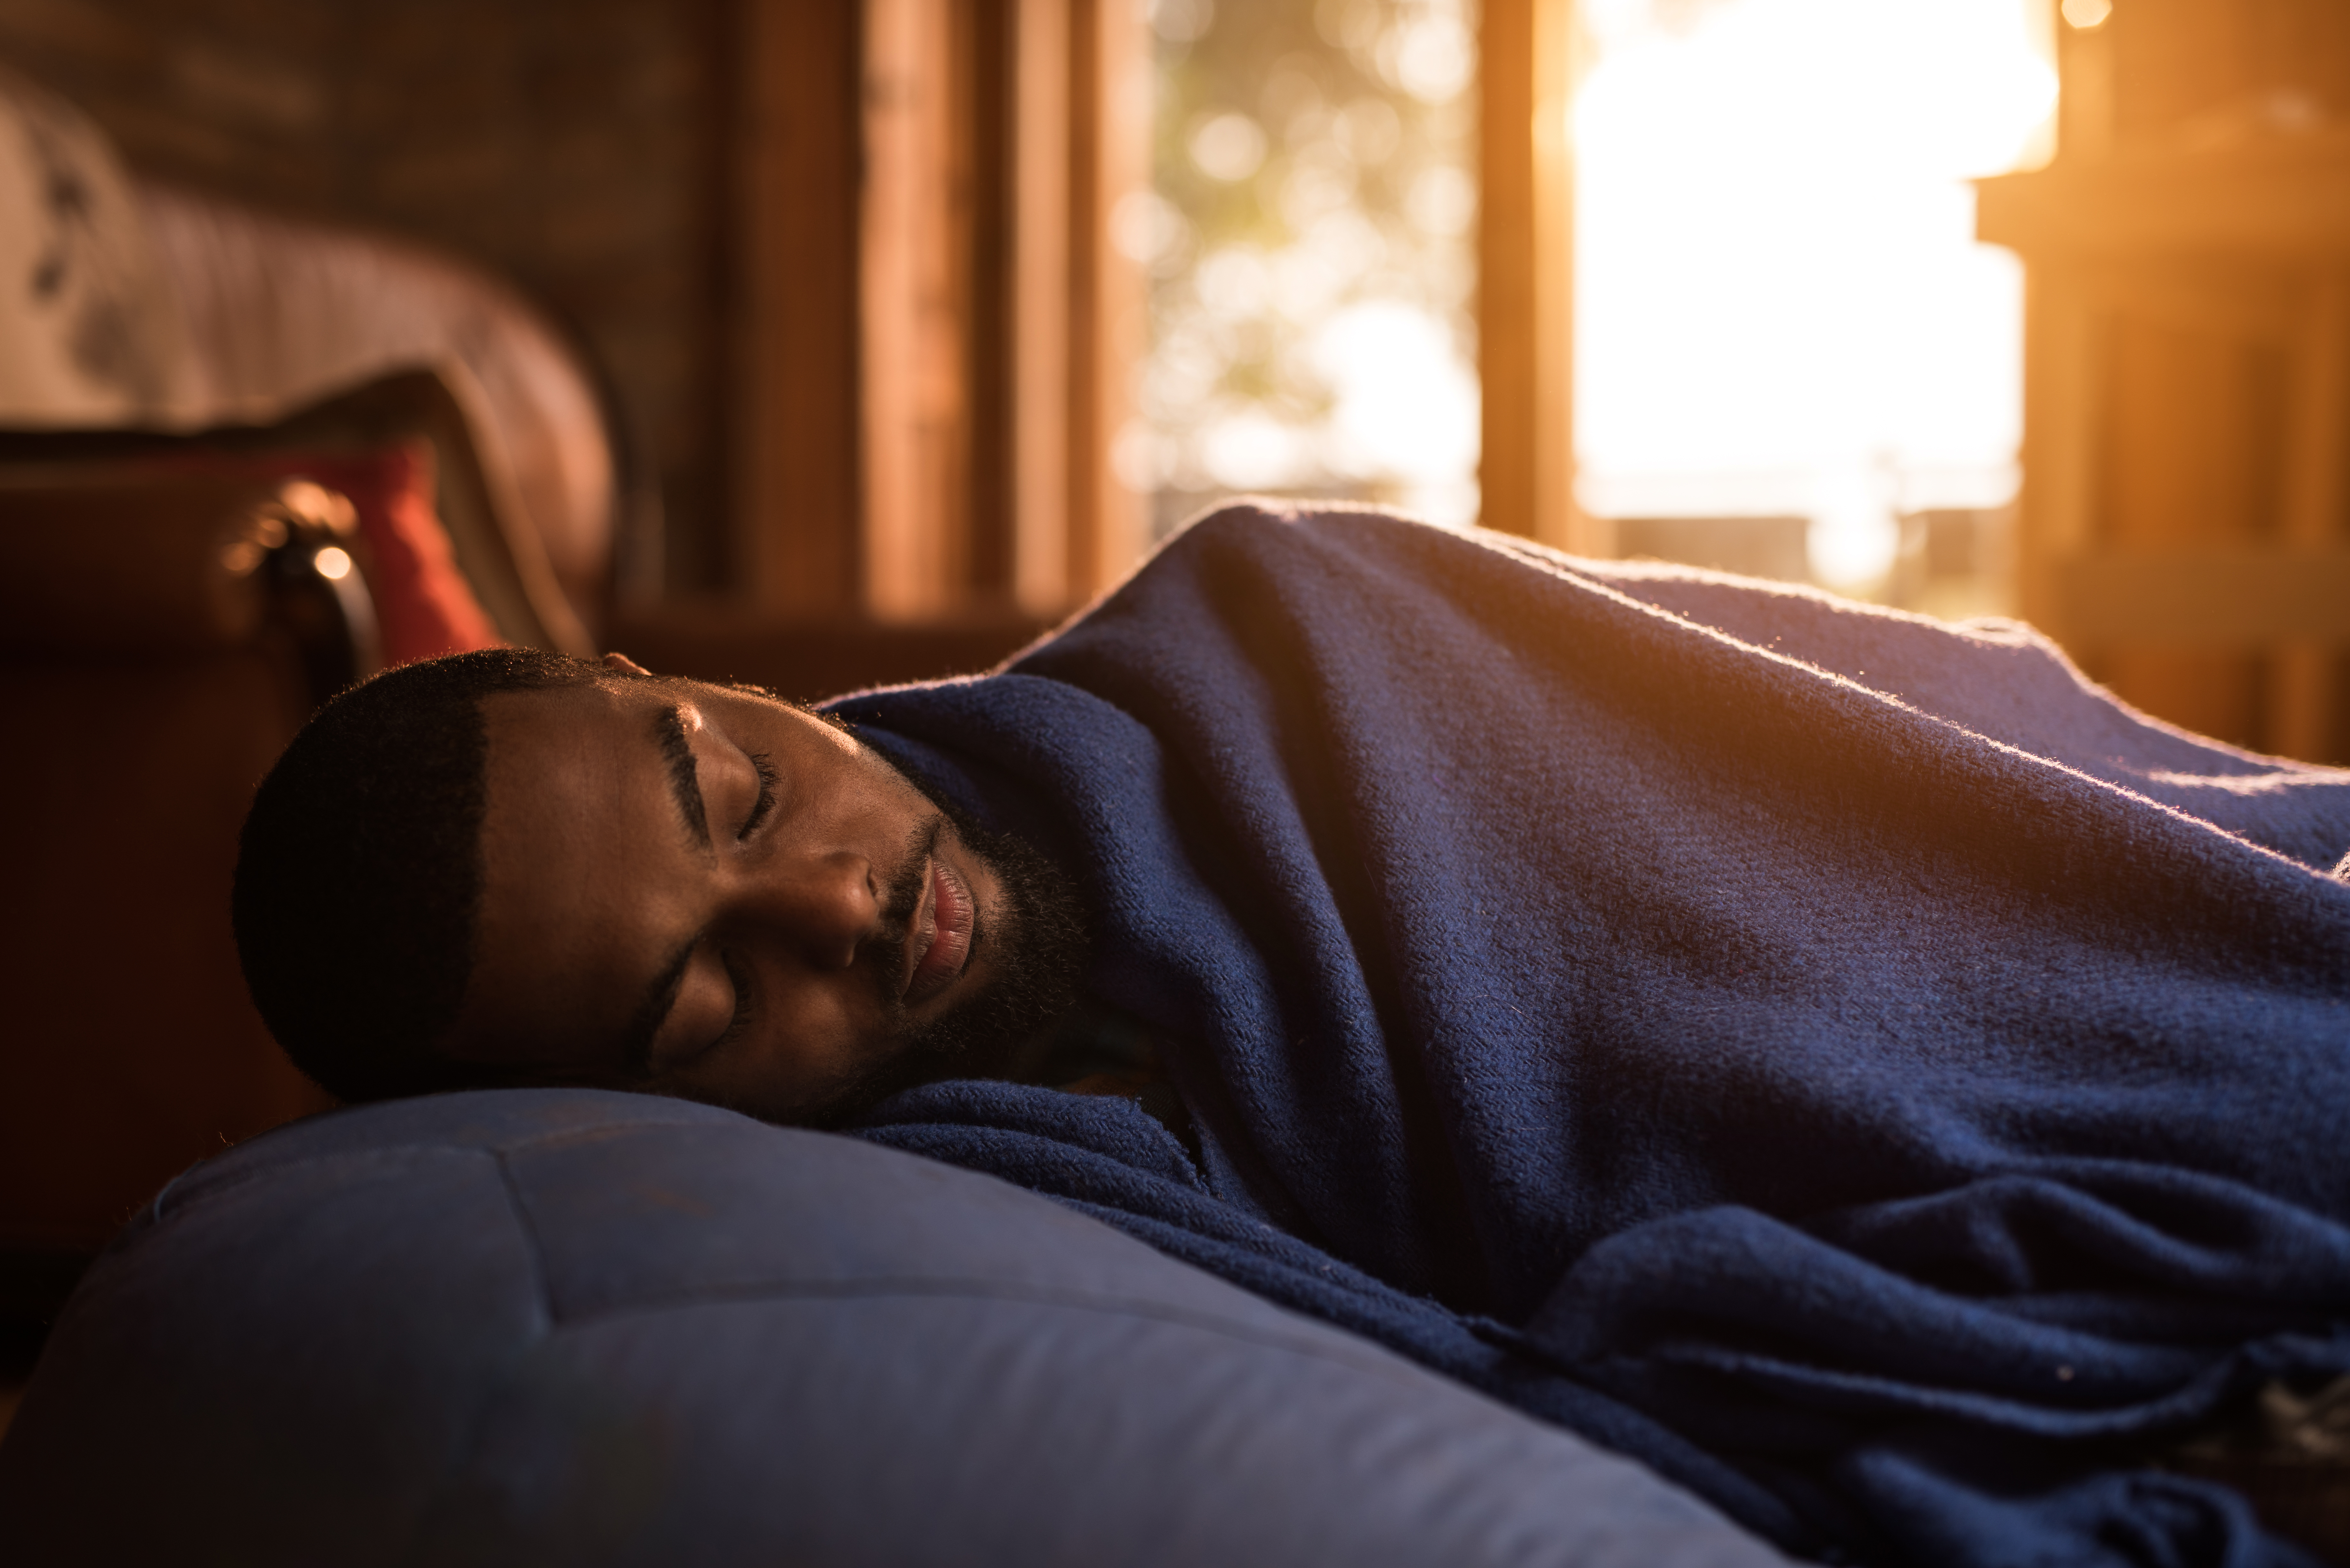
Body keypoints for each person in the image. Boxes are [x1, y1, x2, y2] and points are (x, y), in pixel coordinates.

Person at [234, 503, 2350, 1568]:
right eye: (705, 999)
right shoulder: (1004, 1212)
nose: (831, 904)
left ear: (682, 682)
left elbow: (1978, 771)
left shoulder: (1287, 628)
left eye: (742, 791)